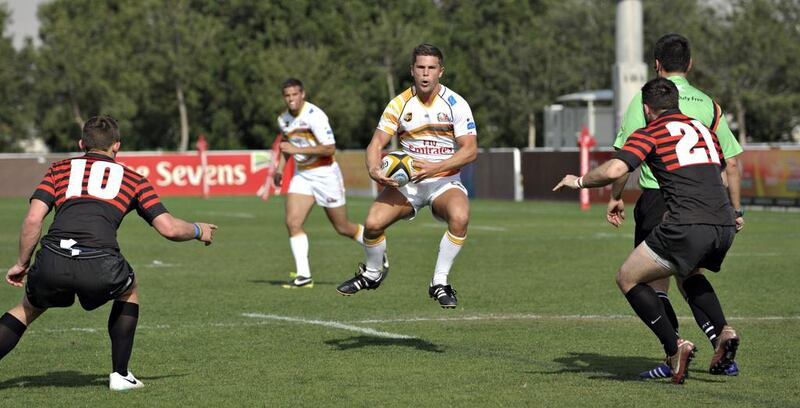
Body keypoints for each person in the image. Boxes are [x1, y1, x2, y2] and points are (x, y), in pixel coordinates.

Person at [0, 116, 217, 391]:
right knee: (129, 288)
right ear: (117, 146)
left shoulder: (58, 169)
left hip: (54, 257)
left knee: (27, 308)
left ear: (82, 144)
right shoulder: (134, 179)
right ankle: (120, 374)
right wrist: (199, 230)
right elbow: (169, 228)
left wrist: (22, 263)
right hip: (99, 262)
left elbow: (33, 220)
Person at [554, 78, 740, 385]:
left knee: (628, 277)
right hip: (724, 223)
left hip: (687, 224)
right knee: (690, 272)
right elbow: (723, 171)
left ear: (646, 108)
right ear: (677, 103)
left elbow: (616, 169)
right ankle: (724, 332)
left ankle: (674, 348)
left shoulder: (650, 131)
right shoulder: (703, 130)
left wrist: (580, 181)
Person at [609, 34, 743, 378]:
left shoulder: (647, 101)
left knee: (650, 280)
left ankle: (673, 353)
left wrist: (615, 197)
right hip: (706, 203)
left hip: (659, 197)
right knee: (691, 273)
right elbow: (731, 161)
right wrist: (736, 209)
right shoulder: (708, 104)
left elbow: (626, 155)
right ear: (690, 64)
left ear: (656, 65)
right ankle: (721, 339)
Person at [335, 44, 477, 309]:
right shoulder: (399, 103)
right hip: (408, 183)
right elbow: (376, 144)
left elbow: (469, 151)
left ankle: (440, 282)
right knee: (373, 223)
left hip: (443, 180)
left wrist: (433, 169)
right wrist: (374, 170)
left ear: (440, 72)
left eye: (431, 68)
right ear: (412, 70)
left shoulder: (456, 103)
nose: (425, 74)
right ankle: (372, 274)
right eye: (420, 67)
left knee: (460, 216)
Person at [274, 78, 366, 289]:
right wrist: (279, 170)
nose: (291, 99)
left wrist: (296, 151)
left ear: (302, 94)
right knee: (293, 222)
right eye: (287, 96)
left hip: (326, 174)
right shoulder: (284, 120)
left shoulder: (315, 116)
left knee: (342, 227)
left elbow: (329, 148)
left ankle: (377, 245)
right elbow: (286, 146)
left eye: (294, 95)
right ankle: (304, 275)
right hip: (303, 175)